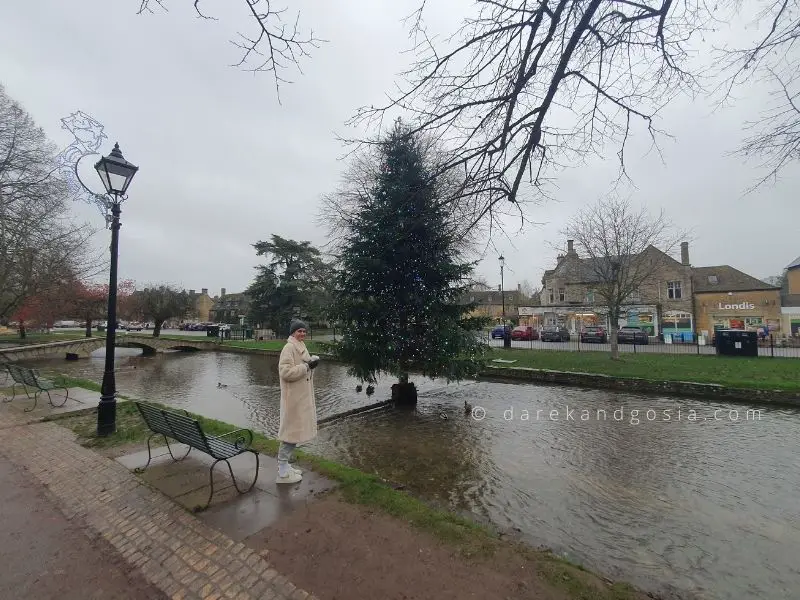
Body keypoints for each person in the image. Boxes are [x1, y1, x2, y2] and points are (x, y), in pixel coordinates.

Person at [276, 319, 320, 484]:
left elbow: (305, 367)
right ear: (293, 332)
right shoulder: (289, 348)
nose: (302, 334)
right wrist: (307, 367)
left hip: (300, 398)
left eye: (304, 331)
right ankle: (281, 470)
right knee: (290, 434)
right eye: (299, 331)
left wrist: (312, 363)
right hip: (293, 400)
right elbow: (285, 372)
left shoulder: (300, 346)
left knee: (294, 433)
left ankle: (285, 465)